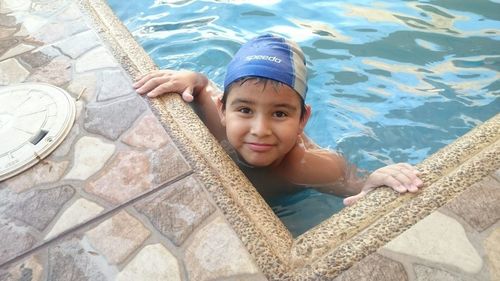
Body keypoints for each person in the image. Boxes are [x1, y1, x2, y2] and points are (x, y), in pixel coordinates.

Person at [134, 34, 423, 206]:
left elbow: (354, 185)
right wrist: (192, 79)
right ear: (223, 110)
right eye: (245, 110)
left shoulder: (308, 167)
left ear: (303, 118)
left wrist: (375, 181)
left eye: (280, 113)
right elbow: (201, 88)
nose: (260, 130)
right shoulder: (216, 120)